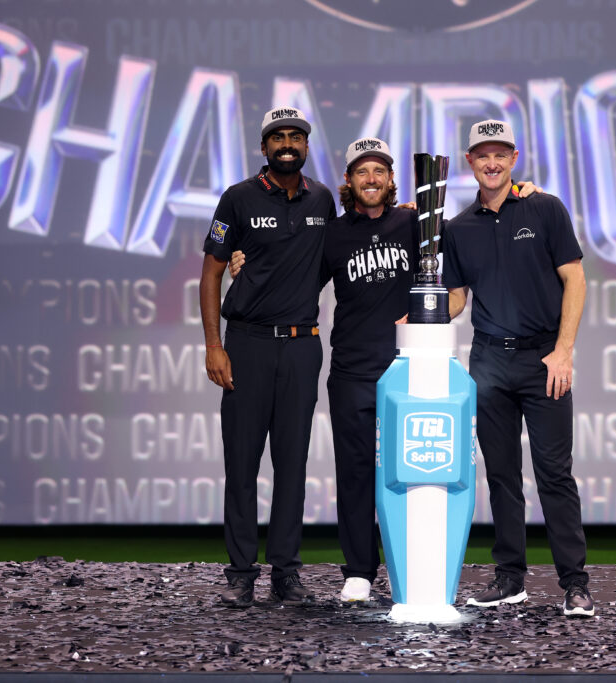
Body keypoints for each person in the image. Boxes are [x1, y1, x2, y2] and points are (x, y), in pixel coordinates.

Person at [229, 138, 542, 603]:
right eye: (362, 172)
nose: (371, 179)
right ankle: (358, 570)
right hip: (352, 370)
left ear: (392, 180)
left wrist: (521, 193)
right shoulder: (331, 234)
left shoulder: (415, 224)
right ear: (349, 182)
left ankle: (414, 570)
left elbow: (468, 232)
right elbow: (290, 275)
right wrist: (244, 266)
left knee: (416, 470)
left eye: (380, 171)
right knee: (354, 472)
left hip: (409, 370)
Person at [441, 119, 594, 617]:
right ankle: (510, 579)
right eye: (482, 155)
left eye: (500, 154)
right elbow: (457, 300)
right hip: (488, 360)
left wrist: (564, 350)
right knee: (502, 475)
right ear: (470, 162)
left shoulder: (545, 208)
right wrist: (414, 314)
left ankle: (575, 584)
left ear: (514, 158)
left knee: (554, 474)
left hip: (543, 359)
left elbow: (575, 280)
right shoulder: (459, 228)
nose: (491, 163)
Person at [200, 106, 335, 608]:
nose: (286, 144)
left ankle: (286, 571)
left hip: (302, 345)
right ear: (264, 148)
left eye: (295, 137)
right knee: (241, 461)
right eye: (277, 137)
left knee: (293, 463)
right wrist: (215, 345)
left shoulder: (322, 198)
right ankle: (239, 572)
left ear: (305, 145)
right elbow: (212, 272)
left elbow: (336, 254)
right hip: (247, 344)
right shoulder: (237, 198)